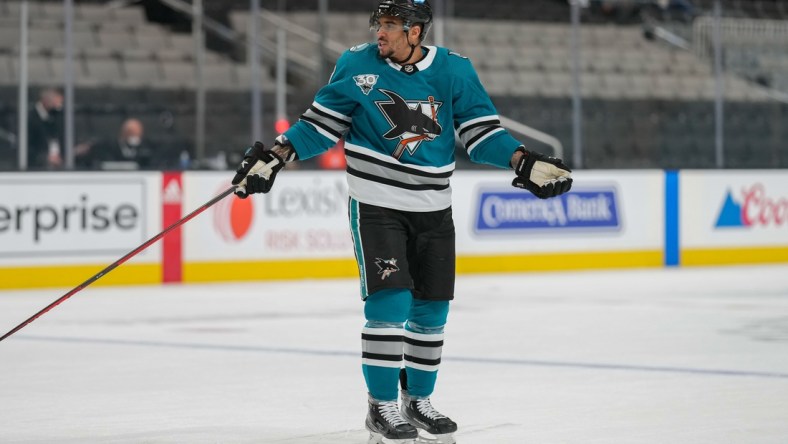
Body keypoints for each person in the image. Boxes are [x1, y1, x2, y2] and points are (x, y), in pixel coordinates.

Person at [230, 1, 573, 443]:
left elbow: (480, 134)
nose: (381, 33)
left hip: (434, 210)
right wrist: (278, 156)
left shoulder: (455, 70)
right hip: (377, 206)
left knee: (432, 311)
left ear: (416, 32)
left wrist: (520, 159)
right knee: (389, 305)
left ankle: (418, 401)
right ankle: (382, 406)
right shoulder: (356, 64)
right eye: (380, 24)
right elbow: (320, 125)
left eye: (391, 25)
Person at [87, 118, 154, 170]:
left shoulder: (146, 148)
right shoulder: (111, 146)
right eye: (130, 132)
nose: (134, 136)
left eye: (136, 133)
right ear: (123, 132)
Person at [27, 88, 64, 170]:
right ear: (46, 101)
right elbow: (26, 146)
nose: (59, 106)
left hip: (59, 163)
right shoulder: (29, 118)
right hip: (35, 167)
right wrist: (44, 157)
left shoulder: (58, 116)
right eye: (56, 102)